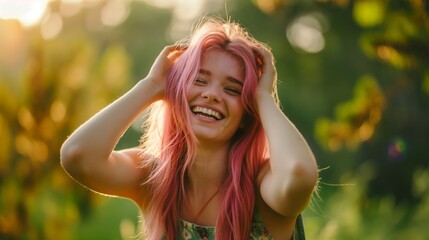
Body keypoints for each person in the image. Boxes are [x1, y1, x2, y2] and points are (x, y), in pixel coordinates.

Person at [60, 17, 318, 240]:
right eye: (199, 80)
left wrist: (263, 97)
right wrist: (151, 86)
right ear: (177, 92)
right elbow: (77, 156)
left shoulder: (264, 188)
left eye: (232, 89)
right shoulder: (153, 179)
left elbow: (300, 174)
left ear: (246, 115)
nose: (212, 95)